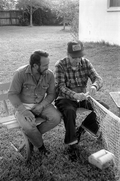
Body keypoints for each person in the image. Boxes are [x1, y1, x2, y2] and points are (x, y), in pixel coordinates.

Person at [54, 41, 108, 148]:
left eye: (80, 56)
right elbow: (60, 86)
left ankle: (83, 128)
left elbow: (98, 78)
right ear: (67, 54)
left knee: (103, 108)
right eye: (74, 57)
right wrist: (74, 95)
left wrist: (94, 86)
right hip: (65, 99)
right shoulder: (60, 65)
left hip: (83, 97)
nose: (77, 60)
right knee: (69, 111)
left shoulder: (86, 63)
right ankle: (72, 144)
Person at [8, 50, 61, 156]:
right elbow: (12, 94)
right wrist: (25, 112)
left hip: (41, 105)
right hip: (23, 107)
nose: (48, 67)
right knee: (28, 127)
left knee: (56, 118)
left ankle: (32, 136)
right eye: (45, 65)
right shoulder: (20, 73)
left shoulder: (49, 74)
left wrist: (41, 106)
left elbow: (52, 94)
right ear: (35, 65)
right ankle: (41, 148)